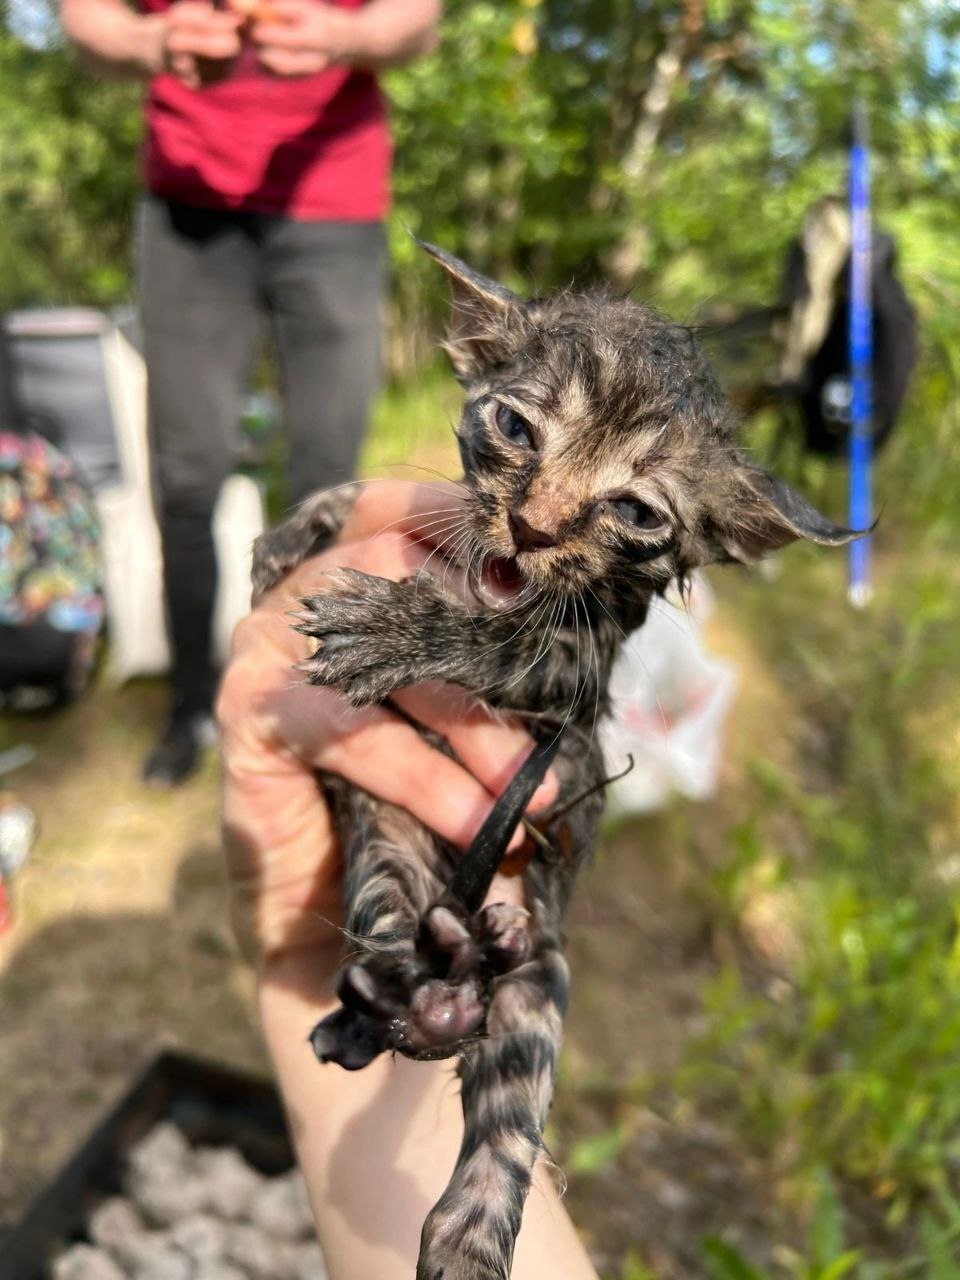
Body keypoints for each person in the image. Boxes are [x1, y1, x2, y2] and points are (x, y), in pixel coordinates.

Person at [217, 478, 600, 1280]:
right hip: (397, 945)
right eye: (520, 429)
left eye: (633, 509)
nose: (541, 514)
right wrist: (311, 959)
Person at [60, 0, 442, 784]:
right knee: (186, 480)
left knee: (327, 487)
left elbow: (418, 25)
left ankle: (322, 706)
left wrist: (345, 36)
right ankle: (191, 708)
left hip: (334, 203)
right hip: (187, 216)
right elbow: (86, 22)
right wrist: (151, 39)